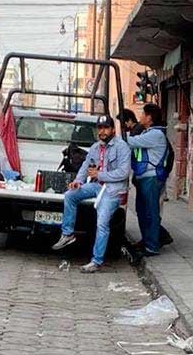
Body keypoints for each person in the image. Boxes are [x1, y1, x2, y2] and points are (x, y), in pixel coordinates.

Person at [51, 116, 130, 273]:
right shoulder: (95, 147)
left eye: (106, 128)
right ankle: (68, 234)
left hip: (112, 190)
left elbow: (124, 172)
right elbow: (85, 165)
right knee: (70, 195)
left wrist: (100, 175)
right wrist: (78, 181)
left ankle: (97, 261)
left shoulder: (122, 147)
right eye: (100, 128)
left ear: (113, 129)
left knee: (101, 223)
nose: (102, 131)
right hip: (95, 186)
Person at [125, 103, 171, 257]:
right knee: (142, 211)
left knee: (150, 212)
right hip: (144, 177)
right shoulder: (150, 132)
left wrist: (119, 134)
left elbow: (130, 142)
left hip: (151, 179)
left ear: (150, 118)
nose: (141, 117)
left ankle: (152, 246)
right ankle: (147, 240)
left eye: (143, 114)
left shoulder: (155, 135)